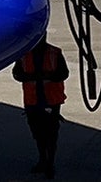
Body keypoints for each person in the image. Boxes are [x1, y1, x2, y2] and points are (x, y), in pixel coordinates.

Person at [12, 36, 68, 179]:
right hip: (33, 101)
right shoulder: (24, 54)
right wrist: (31, 77)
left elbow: (63, 73)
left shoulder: (54, 53)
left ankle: (50, 163)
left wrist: (43, 76)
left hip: (51, 100)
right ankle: (43, 159)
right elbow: (16, 74)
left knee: (51, 133)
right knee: (37, 133)